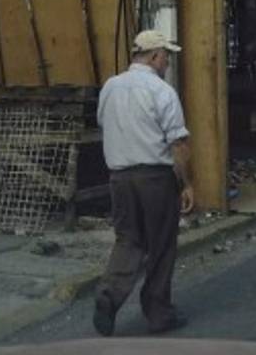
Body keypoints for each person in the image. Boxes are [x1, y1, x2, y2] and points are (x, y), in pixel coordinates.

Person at [93, 29, 193, 337]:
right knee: (161, 245)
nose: (168, 63)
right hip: (155, 178)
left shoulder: (110, 86)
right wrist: (186, 183)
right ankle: (158, 313)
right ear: (154, 56)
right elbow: (177, 143)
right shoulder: (161, 90)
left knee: (128, 240)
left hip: (120, 178)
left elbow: (102, 122)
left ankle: (109, 296)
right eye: (166, 57)